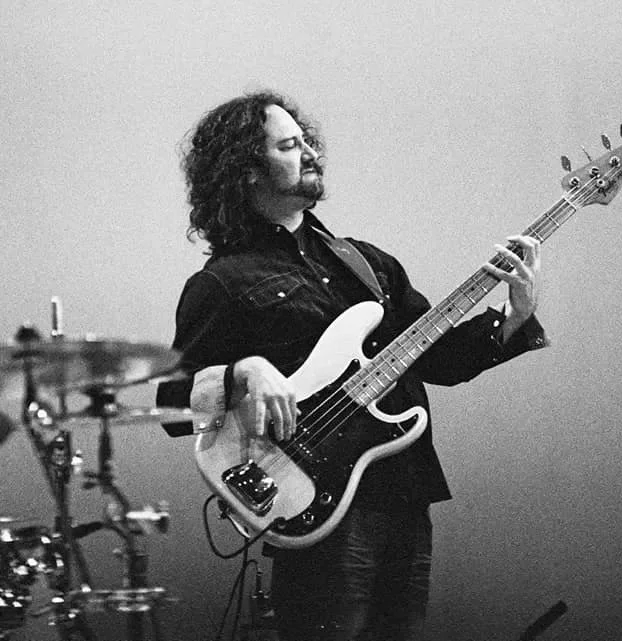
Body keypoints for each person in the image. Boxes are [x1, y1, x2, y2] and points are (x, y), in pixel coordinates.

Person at [158, 90, 549, 641]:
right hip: (311, 498)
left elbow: (438, 360)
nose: (311, 153)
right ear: (247, 170)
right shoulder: (222, 282)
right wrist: (242, 370)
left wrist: (514, 317)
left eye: (307, 141)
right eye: (289, 146)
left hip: (402, 488)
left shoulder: (366, 262)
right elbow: (173, 405)